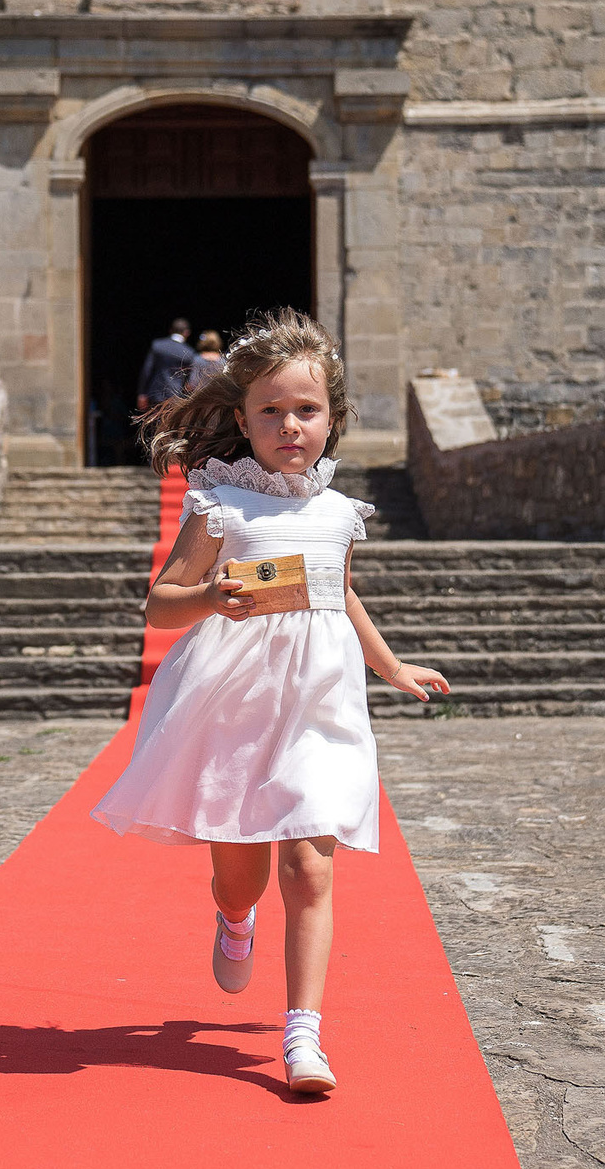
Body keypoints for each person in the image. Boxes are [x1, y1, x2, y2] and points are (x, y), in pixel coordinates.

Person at [91, 311, 452, 1094]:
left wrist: (391, 666)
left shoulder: (339, 513)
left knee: (311, 866)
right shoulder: (222, 505)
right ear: (243, 419)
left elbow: (342, 593)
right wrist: (211, 599)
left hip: (320, 704)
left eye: (307, 410)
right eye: (271, 411)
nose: (290, 425)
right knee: (242, 878)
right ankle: (232, 916)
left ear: (333, 417)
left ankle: (303, 1036)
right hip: (236, 705)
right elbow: (162, 604)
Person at [134, 319, 197, 413]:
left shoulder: (157, 346)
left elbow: (147, 370)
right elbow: (189, 380)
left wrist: (142, 393)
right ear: (187, 333)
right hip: (175, 396)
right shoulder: (189, 353)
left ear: (171, 330)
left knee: (153, 426)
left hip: (155, 394)